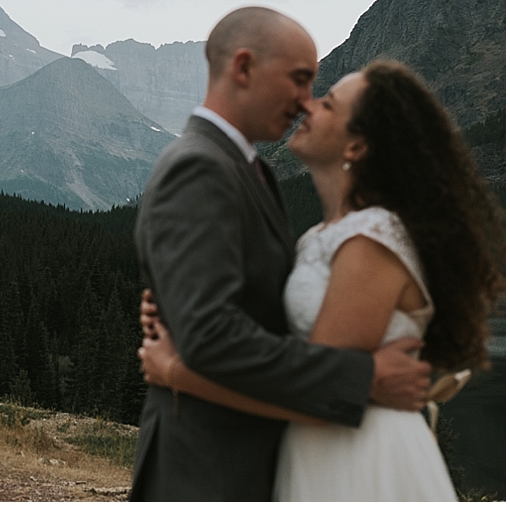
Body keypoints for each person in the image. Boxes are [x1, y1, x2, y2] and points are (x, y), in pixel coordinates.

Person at [138, 60, 503, 500]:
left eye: (328, 103)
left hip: (356, 455)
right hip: (323, 448)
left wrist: (178, 373)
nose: (307, 106)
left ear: (356, 147)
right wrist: (180, 302)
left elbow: (317, 396)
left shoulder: (372, 238)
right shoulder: (324, 236)